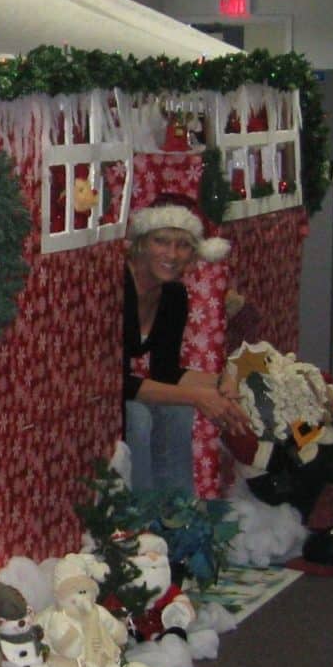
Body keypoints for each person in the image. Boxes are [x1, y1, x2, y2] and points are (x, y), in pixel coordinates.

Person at [123, 192, 252, 493]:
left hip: (124, 387)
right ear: (141, 243)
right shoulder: (117, 286)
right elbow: (116, 381)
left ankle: (178, 520)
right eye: (161, 241)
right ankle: (139, 523)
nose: (172, 254)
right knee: (139, 417)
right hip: (93, 396)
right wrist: (197, 396)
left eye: (183, 246)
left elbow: (165, 370)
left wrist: (223, 380)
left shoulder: (173, 295)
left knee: (177, 409)